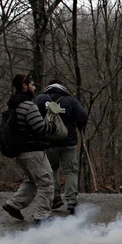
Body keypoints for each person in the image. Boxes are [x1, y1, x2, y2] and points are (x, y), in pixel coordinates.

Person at [2, 74, 57, 224]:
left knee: (32, 180)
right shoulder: (28, 105)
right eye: (32, 85)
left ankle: (14, 204)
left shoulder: (13, 105)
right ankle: (42, 217)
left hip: (21, 153)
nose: (34, 87)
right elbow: (40, 128)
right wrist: (52, 122)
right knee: (46, 183)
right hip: (33, 151)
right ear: (24, 86)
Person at [35, 79, 88, 215]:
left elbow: (33, 118)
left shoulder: (40, 99)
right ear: (62, 87)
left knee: (51, 170)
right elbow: (82, 116)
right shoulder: (70, 100)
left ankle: (55, 197)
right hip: (68, 142)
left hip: (47, 143)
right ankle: (71, 201)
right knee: (70, 171)